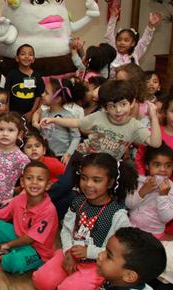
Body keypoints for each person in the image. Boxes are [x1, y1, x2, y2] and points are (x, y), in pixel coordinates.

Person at [42, 79, 161, 217]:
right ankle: (39, 206)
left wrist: (154, 117)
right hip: (82, 158)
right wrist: (54, 120)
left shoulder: (134, 126)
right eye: (112, 106)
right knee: (64, 185)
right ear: (105, 107)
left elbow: (155, 143)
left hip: (104, 167)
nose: (118, 111)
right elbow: (78, 122)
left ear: (133, 102)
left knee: (94, 195)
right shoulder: (99, 116)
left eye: (123, 104)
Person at [32, 153, 134, 290]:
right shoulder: (77, 202)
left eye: (96, 180)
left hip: (97, 264)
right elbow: (66, 230)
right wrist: (68, 252)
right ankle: (73, 277)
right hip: (71, 254)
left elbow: (117, 252)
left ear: (110, 182)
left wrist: (88, 252)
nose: (88, 184)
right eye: (84, 178)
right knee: (41, 281)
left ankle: (96, 283)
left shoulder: (118, 215)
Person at [0, 161, 58, 274]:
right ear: (22, 182)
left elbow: (31, 238)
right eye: (29, 178)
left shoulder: (49, 210)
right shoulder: (19, 199)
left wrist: (9, 245)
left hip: (37, 251)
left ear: (48, 185)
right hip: (18, 236)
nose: (34, 183)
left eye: (40, 179)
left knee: (13, 263)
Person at [126, 144, 173, 239]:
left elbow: (165, 218)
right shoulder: (139, 181)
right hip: (130, 228)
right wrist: (143, 191)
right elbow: (128, 204)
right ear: (147, 166)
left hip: (154, 236)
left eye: (168, 165)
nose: (163, 169)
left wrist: (163, 196)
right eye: (157, 165)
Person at [33, 77, 85, 164]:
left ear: (57, 99)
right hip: (45, 155)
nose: (42, 94)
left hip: (60, 157)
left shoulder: (68, 116)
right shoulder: (44, 113)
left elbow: (76, 137)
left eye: (46, 93)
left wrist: (68, 154)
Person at [105, 7, 162, 72]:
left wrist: (150, 26)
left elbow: (144, 42)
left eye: (126, 40)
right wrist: (113, 18)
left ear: (133, 43)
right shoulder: (113, 51)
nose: (122, 42)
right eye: (119, 40)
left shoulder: (135, 53)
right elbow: (109, 36)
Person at [5, 44, 44, 122]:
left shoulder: (37, 76)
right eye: (23, 54)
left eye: (30, 54)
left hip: (30, 114)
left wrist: (32, 112)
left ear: (33, 59)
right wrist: (7, 111)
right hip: (13, 113)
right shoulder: (12, 74)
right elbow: (7, 94)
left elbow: (38, 96)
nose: (27, 56)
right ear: (17, 58)